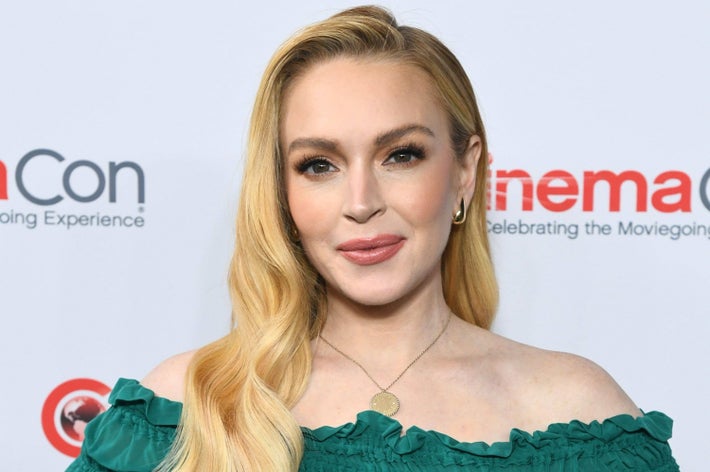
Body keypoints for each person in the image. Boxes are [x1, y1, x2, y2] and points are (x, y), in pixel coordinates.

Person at [68, 6, 678, 471]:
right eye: (319, 165)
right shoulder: (183, 408)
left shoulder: (582, 419)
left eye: (401, 155)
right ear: (280, 191)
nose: (361, 203)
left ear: (465, 170)